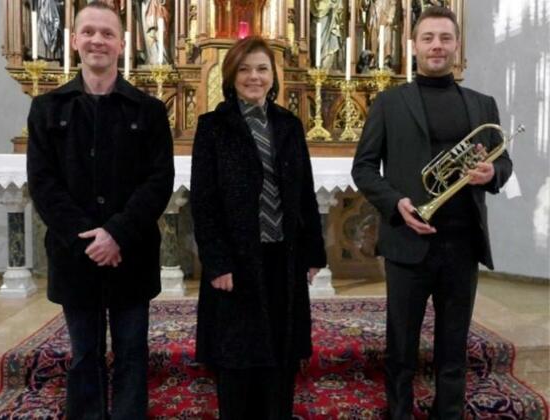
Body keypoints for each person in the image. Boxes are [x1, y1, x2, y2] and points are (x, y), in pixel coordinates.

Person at [351, 6, 512, 419]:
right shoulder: (389, 102)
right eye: (428, 38)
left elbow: (504, 163)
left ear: (457, 45)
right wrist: (395, 203)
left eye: (445, 38)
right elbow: (363, 168)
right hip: (408, 240)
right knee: (401, 348)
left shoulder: (483, 104)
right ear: (414, 46)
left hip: (462, 243)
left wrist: (492, 172)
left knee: (453, 349)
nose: (437, 46)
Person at [26, 2, 175, 419]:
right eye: (89, 31)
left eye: (108, 33)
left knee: (131, 353)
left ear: (122, 44)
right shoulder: (47, 109)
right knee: (84, 356)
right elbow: (44, 184)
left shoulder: (149, 110)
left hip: (131, 254)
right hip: (75, 256)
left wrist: (116, 234)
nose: (98, 40)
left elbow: (158, 181)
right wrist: (89, 240)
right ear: (74, 40)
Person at [190, 36, 326, 419]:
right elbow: (203, 202)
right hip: (236, 261)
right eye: (245, 69)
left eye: (262, 69)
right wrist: (217, 263)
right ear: (231, 76)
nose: (254, 77)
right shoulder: (212, 127)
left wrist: (313, 252)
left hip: (283, 256)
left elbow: (304, 193)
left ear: (273, 76)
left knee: (281, 353)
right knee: (237, 356)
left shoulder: (289, 125)